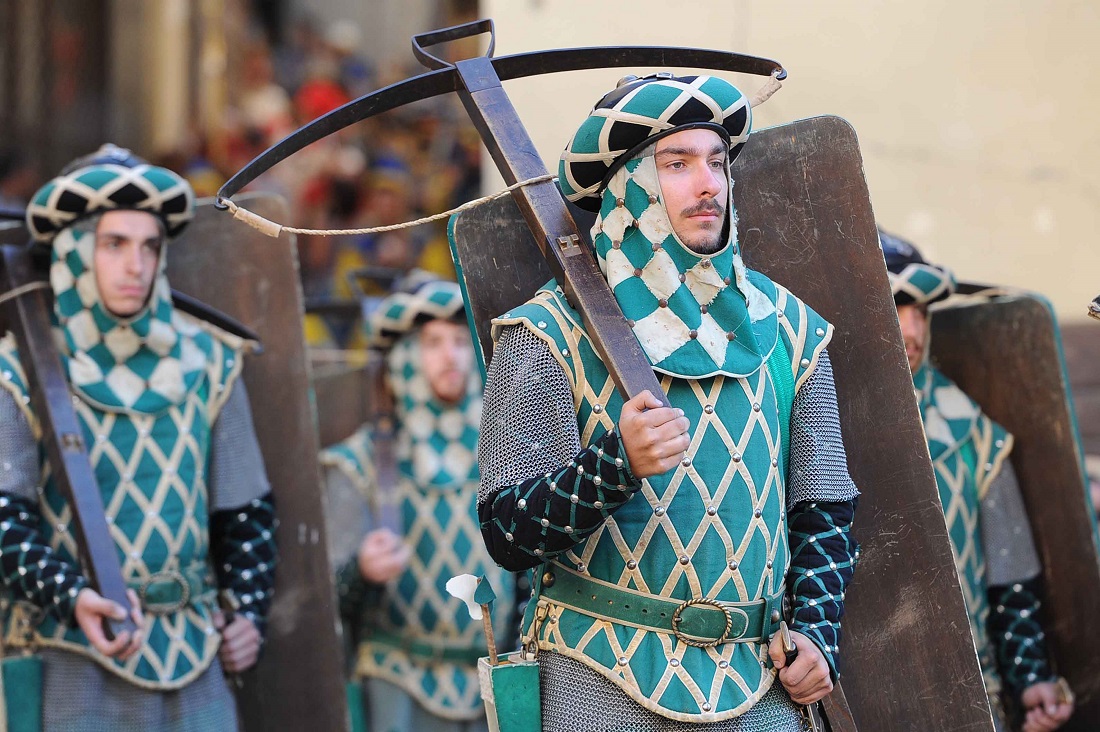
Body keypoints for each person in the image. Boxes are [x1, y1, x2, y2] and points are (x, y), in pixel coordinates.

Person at [476, 74, 860, 731]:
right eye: (676, 164)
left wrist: (817, 632)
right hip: (600, 672)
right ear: (628, 187)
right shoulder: (550, 333)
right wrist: (614, 464)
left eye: (716, 162)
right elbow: (508, 530)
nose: (708, 183)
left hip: (758, 679)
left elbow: (822, 505)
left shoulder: (789, 331)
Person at [0, 144, 277, 731]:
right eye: (114, 244)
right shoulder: (18, 371)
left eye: (150, 247)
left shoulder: (209, 360)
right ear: (75, 251)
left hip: (196, 651)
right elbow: (4, 517)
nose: (137, 265)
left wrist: (246, 613)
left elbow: (246, 510)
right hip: (76, 653)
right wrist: (71, 595)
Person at [882, 229, 1074, 732]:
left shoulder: (971, 431)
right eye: (894, 305)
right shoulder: (819, 424)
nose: (912, 329)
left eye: (920, 311)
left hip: (966, 693)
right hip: (859, 691)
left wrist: (1031, 677)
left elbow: (1010, 577)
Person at [323, 275, 516, 732]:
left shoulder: (506, 454)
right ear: (405, 357)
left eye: (458, 340)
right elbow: (321, 594)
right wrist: (360, 573)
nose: (450, 355)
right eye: (431, 343)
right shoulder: (360, 463)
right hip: (398, 679)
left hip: (495, 676)